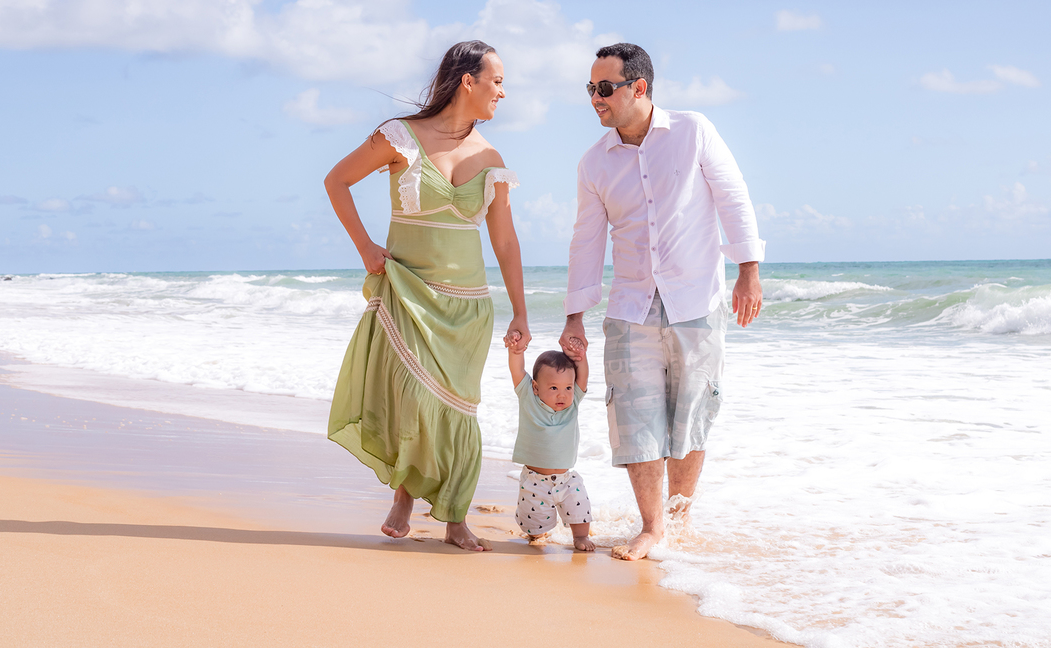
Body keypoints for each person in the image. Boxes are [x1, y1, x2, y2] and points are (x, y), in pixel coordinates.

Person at [560, 42, 764, 561]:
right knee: (635, 418)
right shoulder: (593, 163)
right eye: (590, 89)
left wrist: (749, 270)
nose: (595, 99)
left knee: (692, 413)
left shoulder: (694, 131)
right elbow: (587, 241)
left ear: (639, 87)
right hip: (630, 306)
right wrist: (574, 316)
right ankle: (652, 528)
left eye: (604, 88)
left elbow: (733, 195)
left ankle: (678, 521)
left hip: (697, 300)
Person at [325, 40, 530, 552]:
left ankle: (456, 517)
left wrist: (520, 312)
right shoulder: (400, 137)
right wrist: (365, 246)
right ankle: (405, 494)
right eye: (497, 81)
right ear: (468, 81)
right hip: (410, 294)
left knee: (459, 412)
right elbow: (337, 181)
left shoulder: (491, 158)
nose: (503, 92)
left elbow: (505, 242)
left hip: (468, 307)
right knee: (415, 403)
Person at [507, 339, 594, 552]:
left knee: (580, 508)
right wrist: (516, 350)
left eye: (568, 387)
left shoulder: (573, 403)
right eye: (554, 388)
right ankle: (536, 533)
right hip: (535, 481)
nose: (562, 394)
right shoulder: (528, 397)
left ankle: (580, 537)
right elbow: (517, 370)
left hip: (567, 479)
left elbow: (583, 375)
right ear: (536, 387)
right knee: (534, 525)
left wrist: (580, 355)